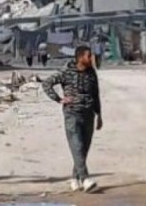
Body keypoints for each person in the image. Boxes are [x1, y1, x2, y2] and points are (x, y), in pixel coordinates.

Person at [44, 46, 104, 192]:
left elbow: (96, 94)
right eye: (88, 56)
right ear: (80, 57)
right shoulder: (67, 71)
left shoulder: (91, 73)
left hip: (88, 114)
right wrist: (59, 99)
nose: (91, 59)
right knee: (76, 146)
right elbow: (47, 84)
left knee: (83, 149)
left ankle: (75, 178)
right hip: (72, 114)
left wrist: (99, 115)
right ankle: (85, 179)